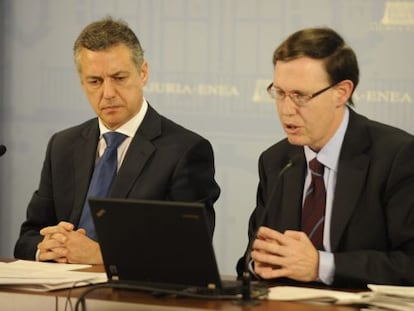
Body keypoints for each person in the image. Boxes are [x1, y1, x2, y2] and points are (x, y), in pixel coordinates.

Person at [14, 17, 220, 265]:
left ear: (142, 73)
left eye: (119, 78)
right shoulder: (62, 145)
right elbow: (27, 238)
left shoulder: (184, 151)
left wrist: (101, 255)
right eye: (95, 81)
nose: (108, 93)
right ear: (82, 83)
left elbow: (189, 251)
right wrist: (46, 247)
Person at [237, 27, 414, 288]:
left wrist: (321, 266)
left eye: (300, 96)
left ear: (341, 92)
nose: (286, 110)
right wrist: (259, 265)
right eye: (280, 93)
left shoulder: (396, 156)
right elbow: (249, 259)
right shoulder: (276, 161)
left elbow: (409, 263)